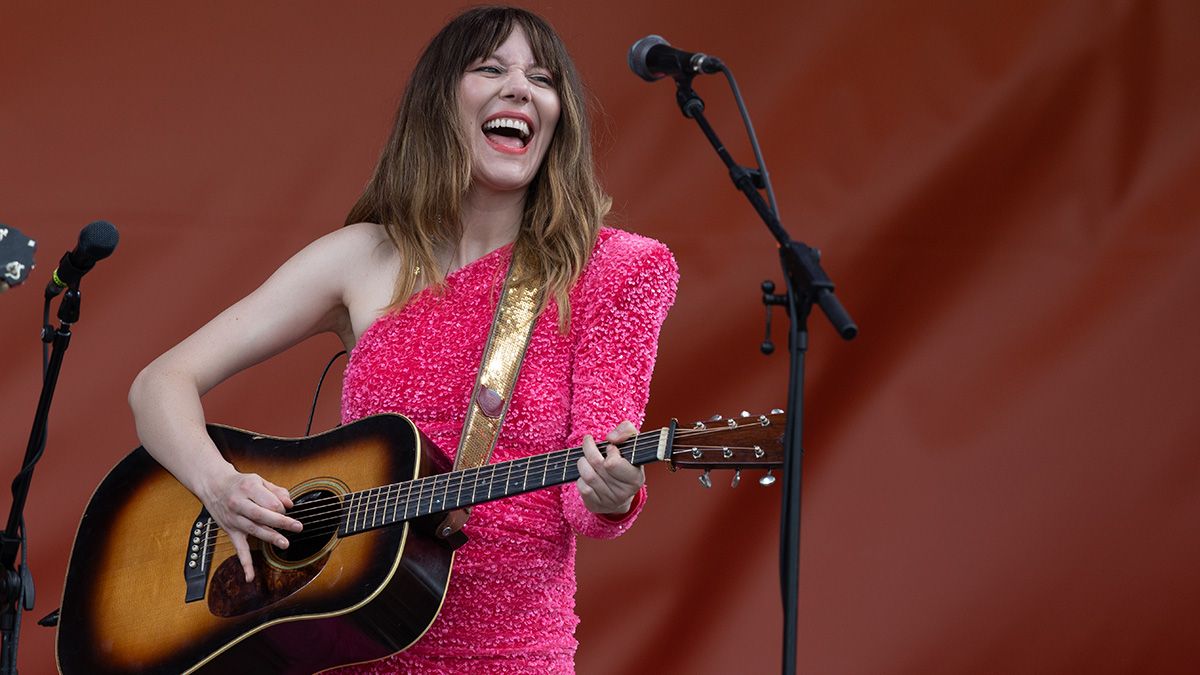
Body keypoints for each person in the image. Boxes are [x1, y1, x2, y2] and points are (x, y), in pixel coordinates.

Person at [127, 5, 678, 674]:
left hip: (510, 654)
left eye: (541, 77)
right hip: (347, 645)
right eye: (490, 68)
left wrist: (613, 493)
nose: (519, 88)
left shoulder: (617, 269)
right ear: (439, 102)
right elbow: (160, 383)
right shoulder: (362, 257)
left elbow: (588, 498)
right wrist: (219, 486)